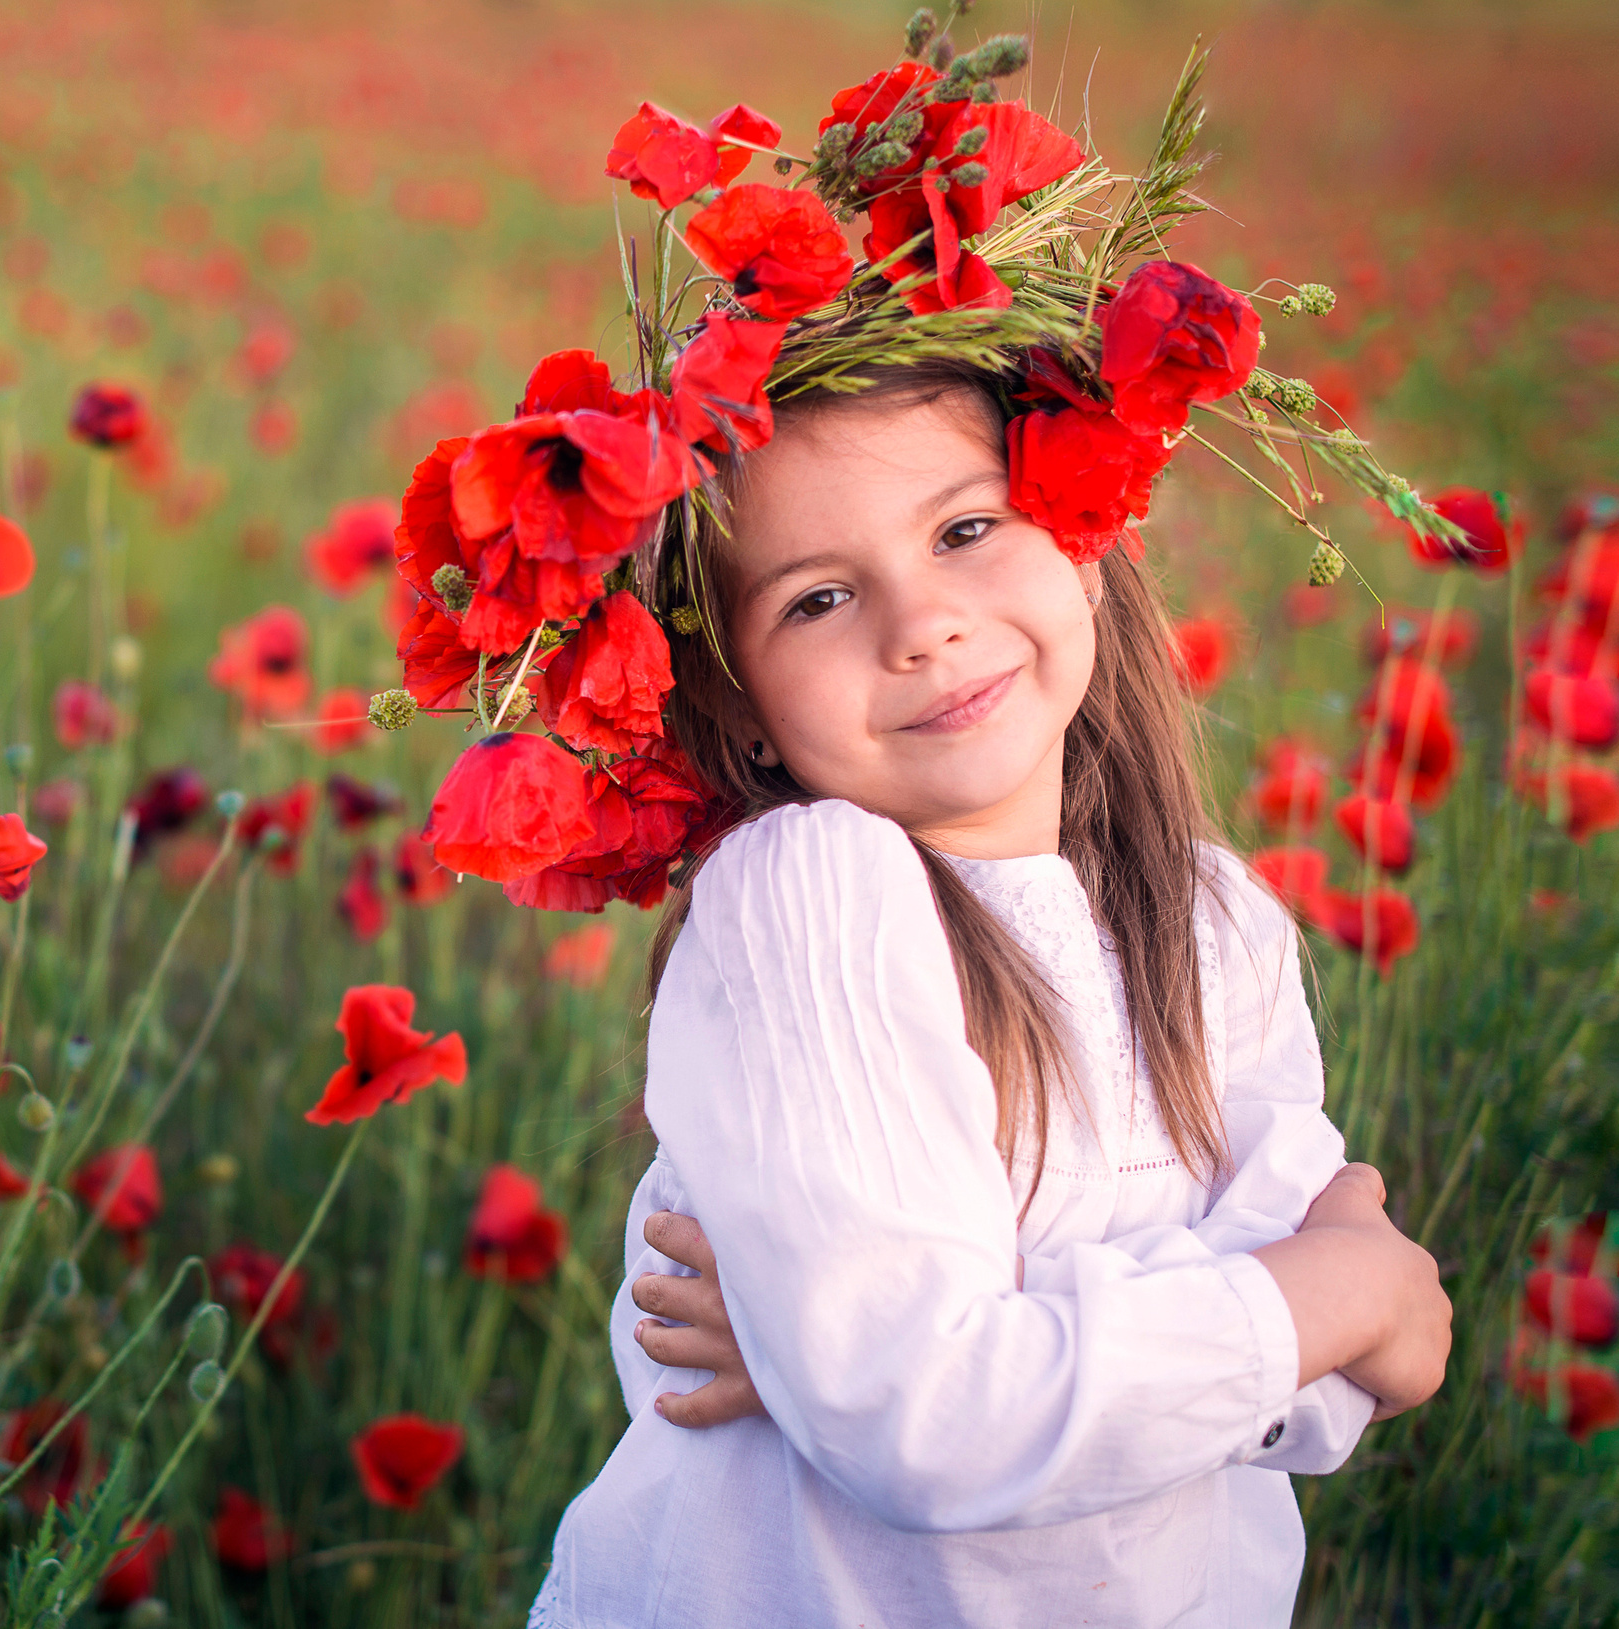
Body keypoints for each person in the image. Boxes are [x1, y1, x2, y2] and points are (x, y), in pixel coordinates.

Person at [523, 364, 1450, 1628]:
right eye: (819, 599)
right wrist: (1336, 1295)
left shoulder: (1216, 923)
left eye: (966, 529)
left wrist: (843, 1354)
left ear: (1082, 540)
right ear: (739, 708)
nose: (919, 625)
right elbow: (931, 1417)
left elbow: (1320, 1407)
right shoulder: (810, 897)